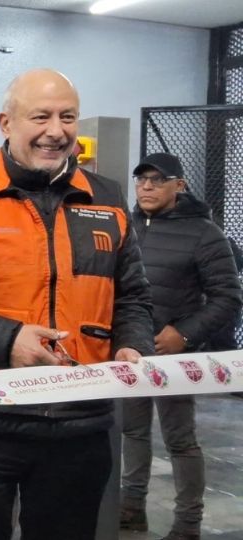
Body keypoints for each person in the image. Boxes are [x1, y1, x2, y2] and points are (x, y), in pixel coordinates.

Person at [0, 68, 154, 540]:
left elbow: (133, 295)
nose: (55, 131)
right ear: (5, 122)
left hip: (81, 425)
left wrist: (132, 345)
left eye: (67, 117)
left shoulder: (107, 197)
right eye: (40, 116)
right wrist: (9, 342)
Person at [119, 153, 242, 540]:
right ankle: (131, 509)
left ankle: (188, 522)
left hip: (176, 360)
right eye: (141, 180)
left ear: (179, 185)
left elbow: (228, 297)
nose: (147, 187)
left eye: (157, 180)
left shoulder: (205, 234)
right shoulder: (125, 227)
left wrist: (184, 335)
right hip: (132, 353)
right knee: (132, 432)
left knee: (180, 440)